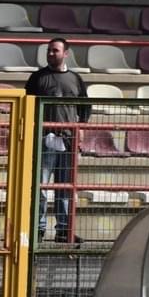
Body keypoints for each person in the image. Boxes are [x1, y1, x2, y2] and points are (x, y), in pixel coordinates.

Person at [25, 38, 88, 245]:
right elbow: (28, 106)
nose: (51, 54)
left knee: (65, 188)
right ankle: (38, 229)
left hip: (68, 140)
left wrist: (81, 130)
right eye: (49, 51)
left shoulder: (76, 79)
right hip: (45, 139)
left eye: (55, 50)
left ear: (66, 53)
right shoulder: (37, 78)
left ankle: (63, 230)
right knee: (40, 187)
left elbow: (84, 108)